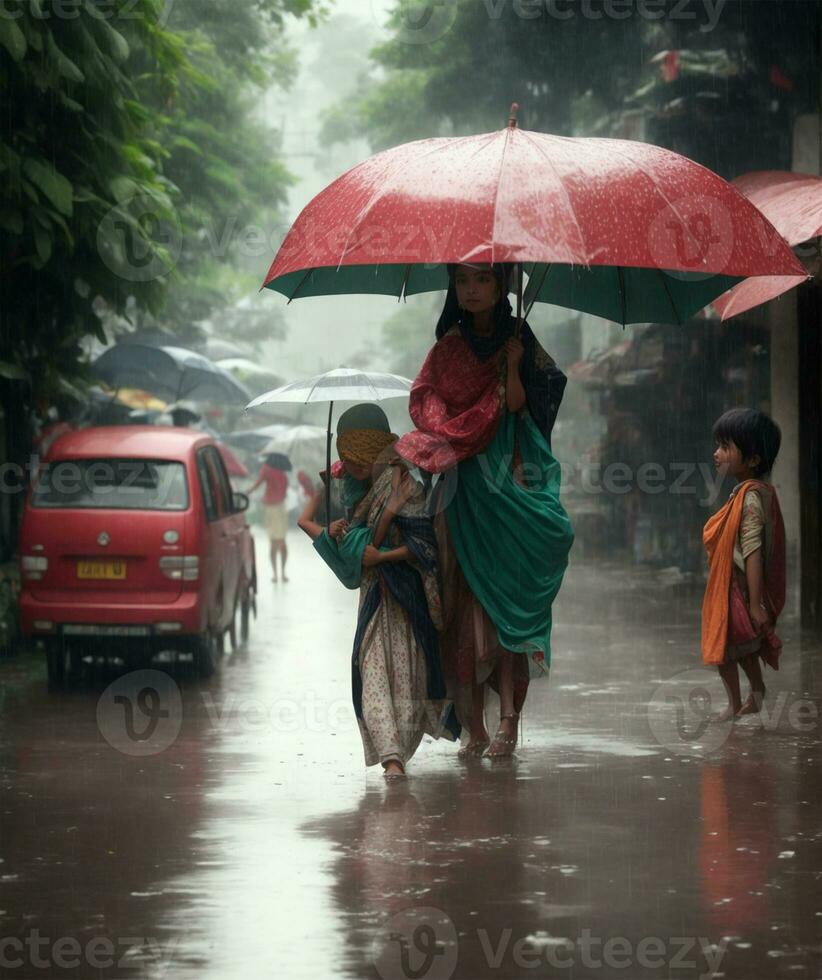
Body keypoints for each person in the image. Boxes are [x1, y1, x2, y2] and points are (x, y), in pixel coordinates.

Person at [396, 263, 574, 758]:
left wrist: (513, 366)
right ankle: (473, 728)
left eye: (482, 280)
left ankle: (509, 723)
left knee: (506, 610)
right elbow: (425, 397)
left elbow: (522, 405)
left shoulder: (520, 339)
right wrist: (451, 430)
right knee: (458, 609)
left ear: (501, 286)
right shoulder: (447, 347)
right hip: (459, 489)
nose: (471, 290)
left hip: (505, 486)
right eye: (463, 281)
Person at [297, 404, 459, 779]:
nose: (353, 467)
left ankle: (397, 755)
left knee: (407, 682)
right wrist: (341, 521)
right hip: (373, 602)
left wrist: (384, 554)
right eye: (347, 459)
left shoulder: (407, 487)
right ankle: (391, 760)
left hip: (406, 601)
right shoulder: (353, 492)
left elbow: (426, 547)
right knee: (371, 676)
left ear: (378, 452)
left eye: (360, 459)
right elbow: (348, 541)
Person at [702, 408, 786, 721]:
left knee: (727, 643)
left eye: (725, 447)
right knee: (738, 644)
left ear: (752, 459)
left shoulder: (750, 497)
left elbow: (752, 549)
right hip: (732, 584)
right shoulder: (751, 492)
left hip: (737, 586)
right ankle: (752, 694)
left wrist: (753, 603)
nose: (717, 453)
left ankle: (739, 702)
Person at [248, 453, 292, 582]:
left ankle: (275, 574)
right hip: (281, 508)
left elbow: (258, 484)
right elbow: (282, 493)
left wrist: (247, 492)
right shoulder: (283, 474)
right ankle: (283, 573)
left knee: (273, 543)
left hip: (271, 510)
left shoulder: (266, 469)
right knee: (282, 542)